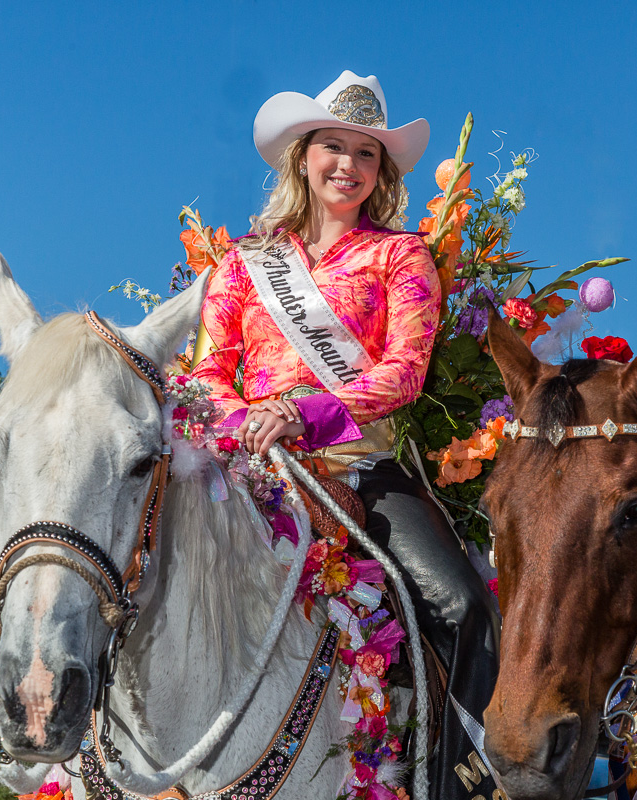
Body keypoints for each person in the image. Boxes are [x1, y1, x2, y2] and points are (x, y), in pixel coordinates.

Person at [191, 71, 501, 799]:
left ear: (381, 172)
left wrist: (305, 412)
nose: (347, 165)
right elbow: (207, 374)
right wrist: (249, 426)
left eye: (366, 154)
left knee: (463, 607)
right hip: (249, 471)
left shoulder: (401, 257)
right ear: (303, 156)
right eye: (333, 146)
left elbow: (403, 373)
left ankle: (462, 783)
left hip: (362, 467)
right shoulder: (244, 264)